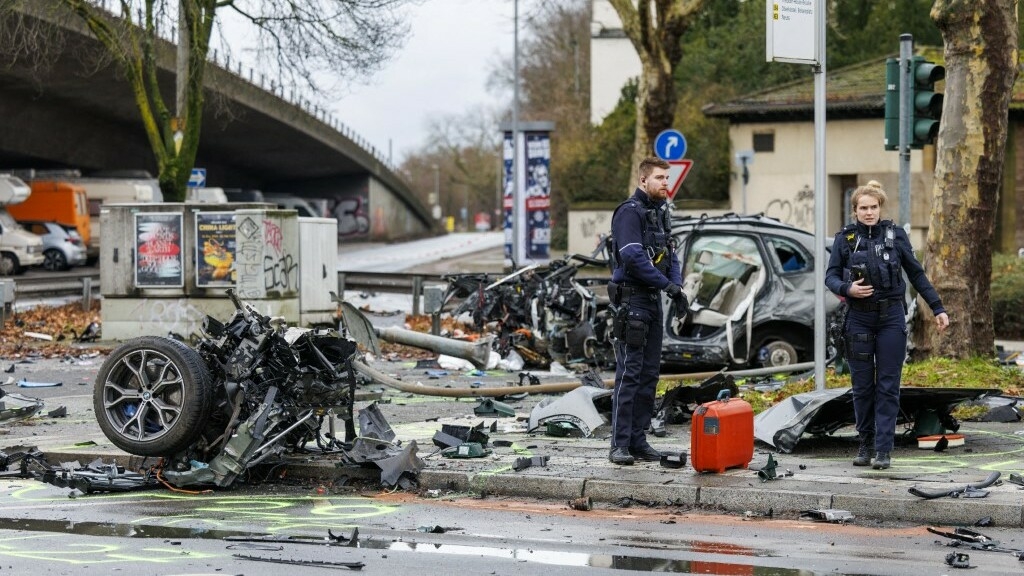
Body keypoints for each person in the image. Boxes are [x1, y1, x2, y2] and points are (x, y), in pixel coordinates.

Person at [825, 181, 949, 470]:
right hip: (858, 318)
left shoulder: (896, 236)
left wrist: (938, 308)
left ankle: (883, 450)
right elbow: (829, 276)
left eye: (874, 207)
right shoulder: (845, 238)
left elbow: (917, 275)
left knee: (888, 385)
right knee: (862, 387)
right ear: (855, 210)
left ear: (880, 208)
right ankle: (865, 444)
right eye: (863, 208)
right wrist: (847, 289)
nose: (869, 213)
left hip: (891, 317)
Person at [606, 157, 685, 466]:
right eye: (660, 178)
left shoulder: (660, 214)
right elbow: (634, 259)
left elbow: (672, 255)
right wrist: (668, 285)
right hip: (633, 302)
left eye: (668, 178)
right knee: (630, 374)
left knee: (650, 374)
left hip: (652, 301)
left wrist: (676, 287)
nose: (666, 183)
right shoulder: (629, 213)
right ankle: (620, 444)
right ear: (643, 181)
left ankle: (638, 440)